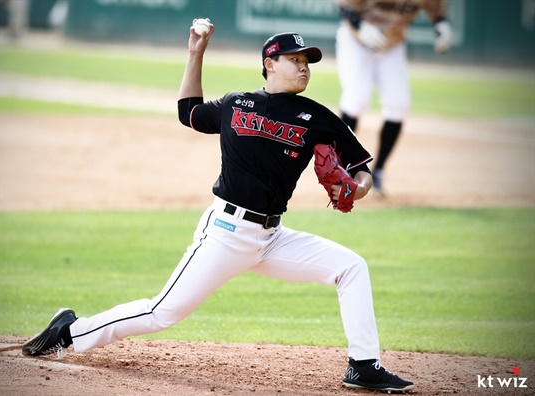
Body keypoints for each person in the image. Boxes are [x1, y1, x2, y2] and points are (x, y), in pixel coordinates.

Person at [22, 20, 414, 393]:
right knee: (162, 313)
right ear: (269, 64)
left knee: (351, 267)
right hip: (225, 234)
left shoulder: (319, 118)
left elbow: (362, 169)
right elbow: (188, 112)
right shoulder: (236, 103)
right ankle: (71, 330)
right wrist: (197, 52)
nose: (303, 67)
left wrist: (358, 190)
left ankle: (363, 366)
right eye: (294, 59)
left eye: (307, 61)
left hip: (272, 237)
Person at [335, 0, 452, 194]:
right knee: (356, 100)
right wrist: (360, 25)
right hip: (356, 42)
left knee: (398, 105)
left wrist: (440, 22)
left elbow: (435, 7)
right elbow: (344, 5)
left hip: (392, 45)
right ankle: (338, 167)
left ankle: (378, 170)